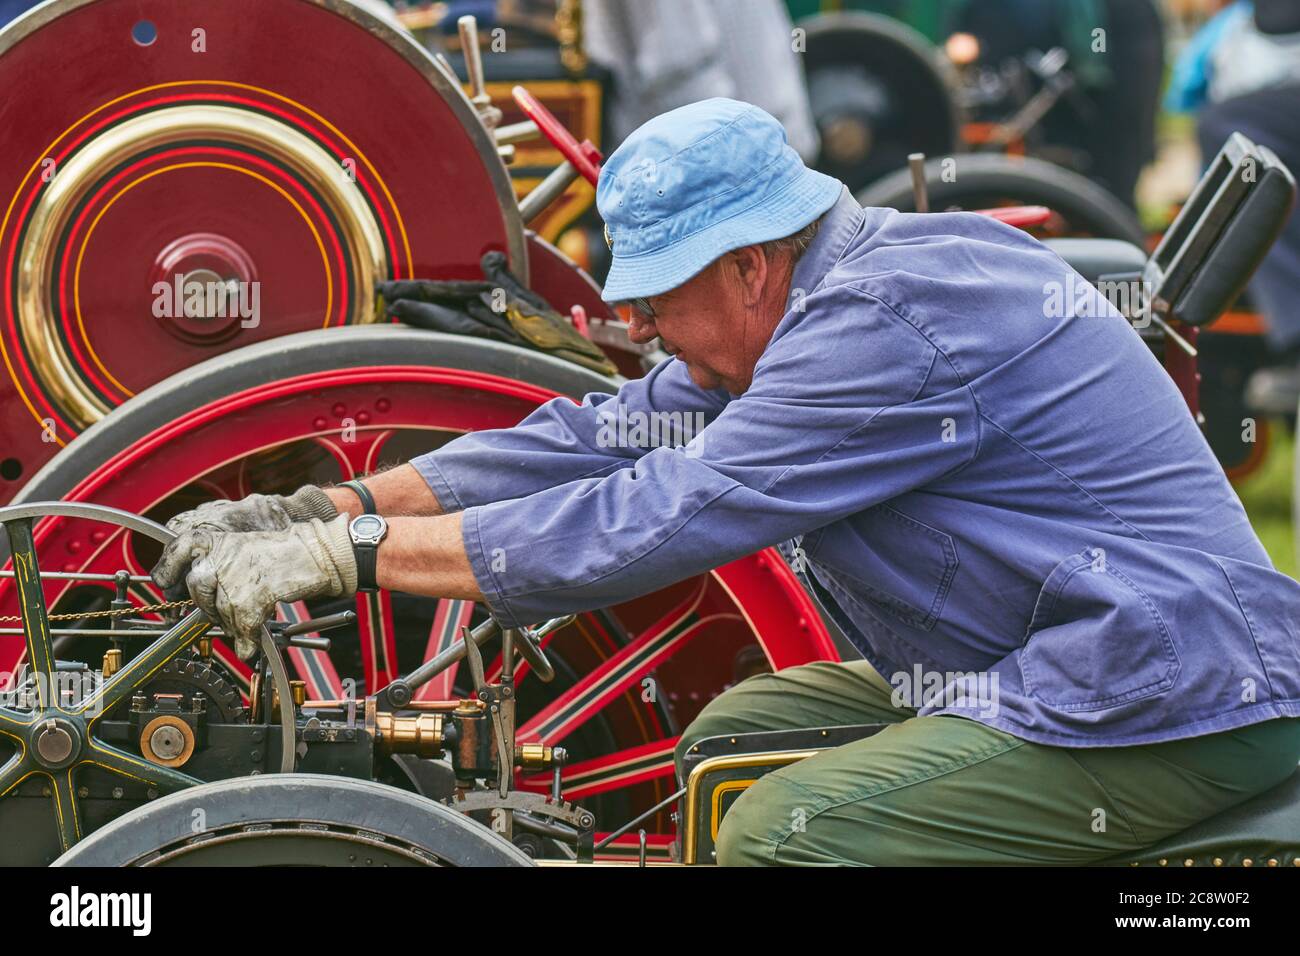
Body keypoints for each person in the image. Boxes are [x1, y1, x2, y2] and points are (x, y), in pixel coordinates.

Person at [154, 98, 1300, 866]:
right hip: (1052, 660)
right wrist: (325, 507)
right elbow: (597, 439)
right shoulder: (803, 307)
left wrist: (342, 562)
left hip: (1168, 692)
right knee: (735, 733)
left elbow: (661, 512)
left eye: (657, 297)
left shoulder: (880, 325)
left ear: (750, 264)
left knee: (779, 830)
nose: (642, 322)